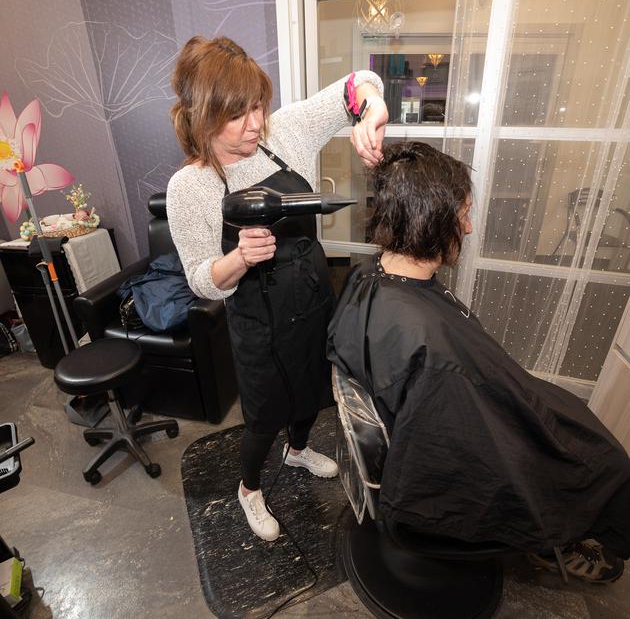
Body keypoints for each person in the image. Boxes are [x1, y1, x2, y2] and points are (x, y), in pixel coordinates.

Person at [327, 141, 630, 583]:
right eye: (464, 214)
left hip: (473, 396)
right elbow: (474, 448)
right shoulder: (432, 349)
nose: (468, 228)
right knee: (606, 464)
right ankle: (557, 539)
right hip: (475, 416)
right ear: (432, 219)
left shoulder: (366, 276)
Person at [166, 36, 388, 542]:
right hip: (258, 325)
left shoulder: (285, 132)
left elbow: (358, 84)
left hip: (312, 302)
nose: (254, 124)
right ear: (202, 116)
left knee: (312, 395)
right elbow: (201, 279)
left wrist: (372, 107)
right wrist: (239, 258)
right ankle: (249, 488)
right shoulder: (191, 187)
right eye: (236, 114)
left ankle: (298, 449)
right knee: (265, 418)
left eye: (258, 106)